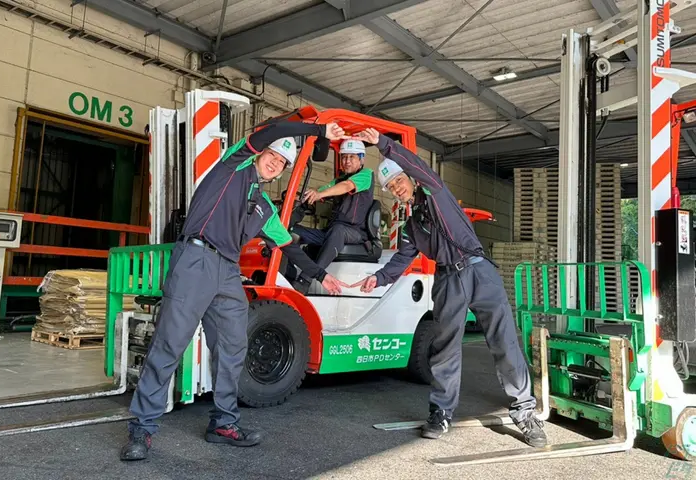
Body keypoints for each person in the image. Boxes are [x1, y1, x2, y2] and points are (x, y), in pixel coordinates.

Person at [120, 120, 350, 461]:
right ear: (261, 154)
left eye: (282, 162)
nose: (274, 163)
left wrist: (322, 275)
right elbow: (265, 135)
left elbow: (289, 247)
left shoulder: (266, 209)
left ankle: (223, 424)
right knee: (170, 342)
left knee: (233, 346)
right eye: (272, 155)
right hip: (196, 258)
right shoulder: (234, 165)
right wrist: (317, 133)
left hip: (228, 270)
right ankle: (142, 428)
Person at [348, 128, 547, 448]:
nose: (397, 189)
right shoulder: (412, 225)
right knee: (445, 348)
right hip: (447, 279)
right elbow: (403, 257)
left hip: (479, 271)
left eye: (399, 181)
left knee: (504, 341)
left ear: (410, 180)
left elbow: (417, 167)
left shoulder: (436, 194)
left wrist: (383, 145)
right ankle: (441, 412)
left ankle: (524, 412)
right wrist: (380, 278)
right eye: (391, 187)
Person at [290, 139, 375, 294]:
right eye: (344, 157)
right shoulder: (338, 180)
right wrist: (303, 198)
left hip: (356, 233)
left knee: (338, 230)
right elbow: (322, 191)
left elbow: (347, 186)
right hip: (332, 232)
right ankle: (287, 275)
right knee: (292, 230)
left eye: (352, 157)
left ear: (361, 159)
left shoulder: (366, 175)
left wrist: (320, 194)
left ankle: (304, 281)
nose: (347, 161)